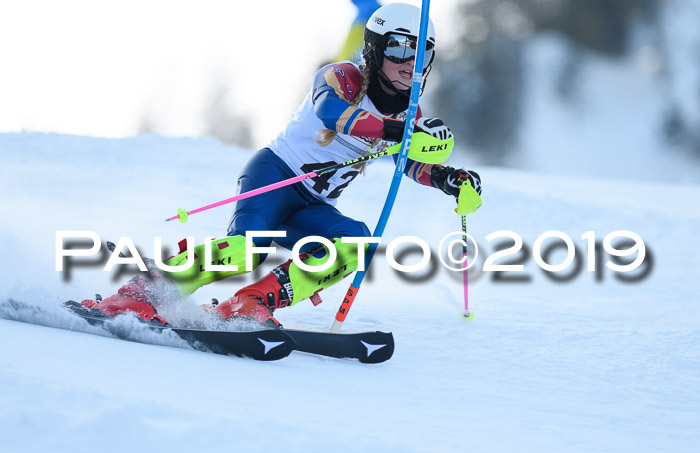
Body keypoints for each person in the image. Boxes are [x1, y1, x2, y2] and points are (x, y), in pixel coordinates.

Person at [81, 3, 482, 328]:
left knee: (355, 243)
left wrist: (449, 179)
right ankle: (141, 293)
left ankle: (250, 303)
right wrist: (399, 131)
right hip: (275, 175)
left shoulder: (408, 115)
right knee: (245, 251)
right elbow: (330, 113)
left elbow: (404, 162)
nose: (410, 62)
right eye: (398, 48)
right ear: (375, 49)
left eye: (422, 51)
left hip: (311, 205)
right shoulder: (343, 77)